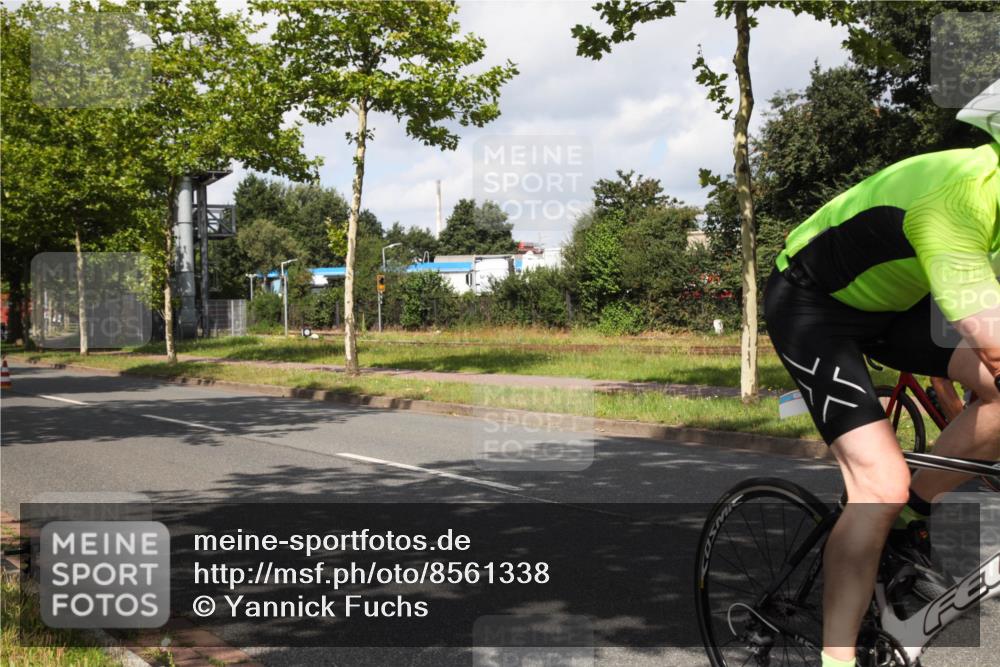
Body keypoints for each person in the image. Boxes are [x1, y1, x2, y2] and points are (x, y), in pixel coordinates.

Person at [764, 80, 1000, 667]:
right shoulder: (959, 199)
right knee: (879, 488)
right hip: (813, 306)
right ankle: (837, 659)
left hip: (897, 305)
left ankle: (913, 514)